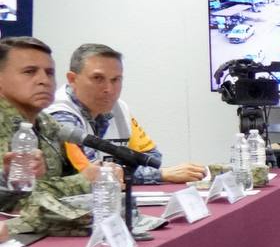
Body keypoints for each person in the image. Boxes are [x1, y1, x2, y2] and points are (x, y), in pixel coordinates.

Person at [46, 43, 206, 184]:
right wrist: (161, 174)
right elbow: (90, 173)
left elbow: (152, 158)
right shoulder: (61, 114)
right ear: (72, 79)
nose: (109, 89)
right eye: (98, 78)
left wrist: (120, 171)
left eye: (116, 80)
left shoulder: (118, 108)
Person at [0, 36, 72, 185]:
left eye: (49, 73)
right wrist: (85, 181)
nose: (44, 80)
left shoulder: (48, 123)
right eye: (29, 71)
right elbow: (22, 202)